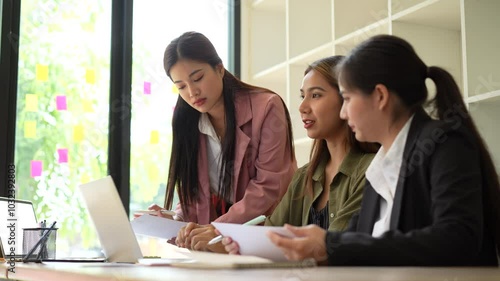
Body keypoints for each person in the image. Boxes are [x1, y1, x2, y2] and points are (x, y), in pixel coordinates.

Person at [266, 34, 500, 266]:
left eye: (347, 99)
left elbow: (457, 239)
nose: (344, 113)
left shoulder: (444, 142)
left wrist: (329, 245)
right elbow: (358, 241)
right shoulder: (382, 166)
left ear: (380, 96)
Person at [148, 31, 297, 251]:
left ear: (219, 68)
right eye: (181, 86)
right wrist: (176, 220)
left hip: (267, 241)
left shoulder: (267, 107)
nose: (192, 92)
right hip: (219, 247)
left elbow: (269, 187)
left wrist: (218, 229)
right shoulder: (187, 121)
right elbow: (196, 195)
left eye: (197, 78)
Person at [222, 56, 379, 255]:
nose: (302, 107)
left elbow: (337, 246)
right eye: (302, 96)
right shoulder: (304, 177)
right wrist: (241, 245)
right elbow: (272, 235)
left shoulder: (372, 170)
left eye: (315, 95)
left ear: (346, 99)